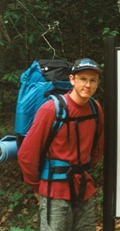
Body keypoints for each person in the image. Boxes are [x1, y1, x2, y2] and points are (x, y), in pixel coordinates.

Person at [18, 58, 104, 231]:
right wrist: (36, 186)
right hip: (54, 192)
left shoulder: (96, 109)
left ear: (97, 83)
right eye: (83, 79)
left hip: (84, 190)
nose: (88, 85)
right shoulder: (51, 109)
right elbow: (27, 154)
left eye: (92, 80)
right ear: (72, 79)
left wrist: (82, 168)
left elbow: (98, 148)